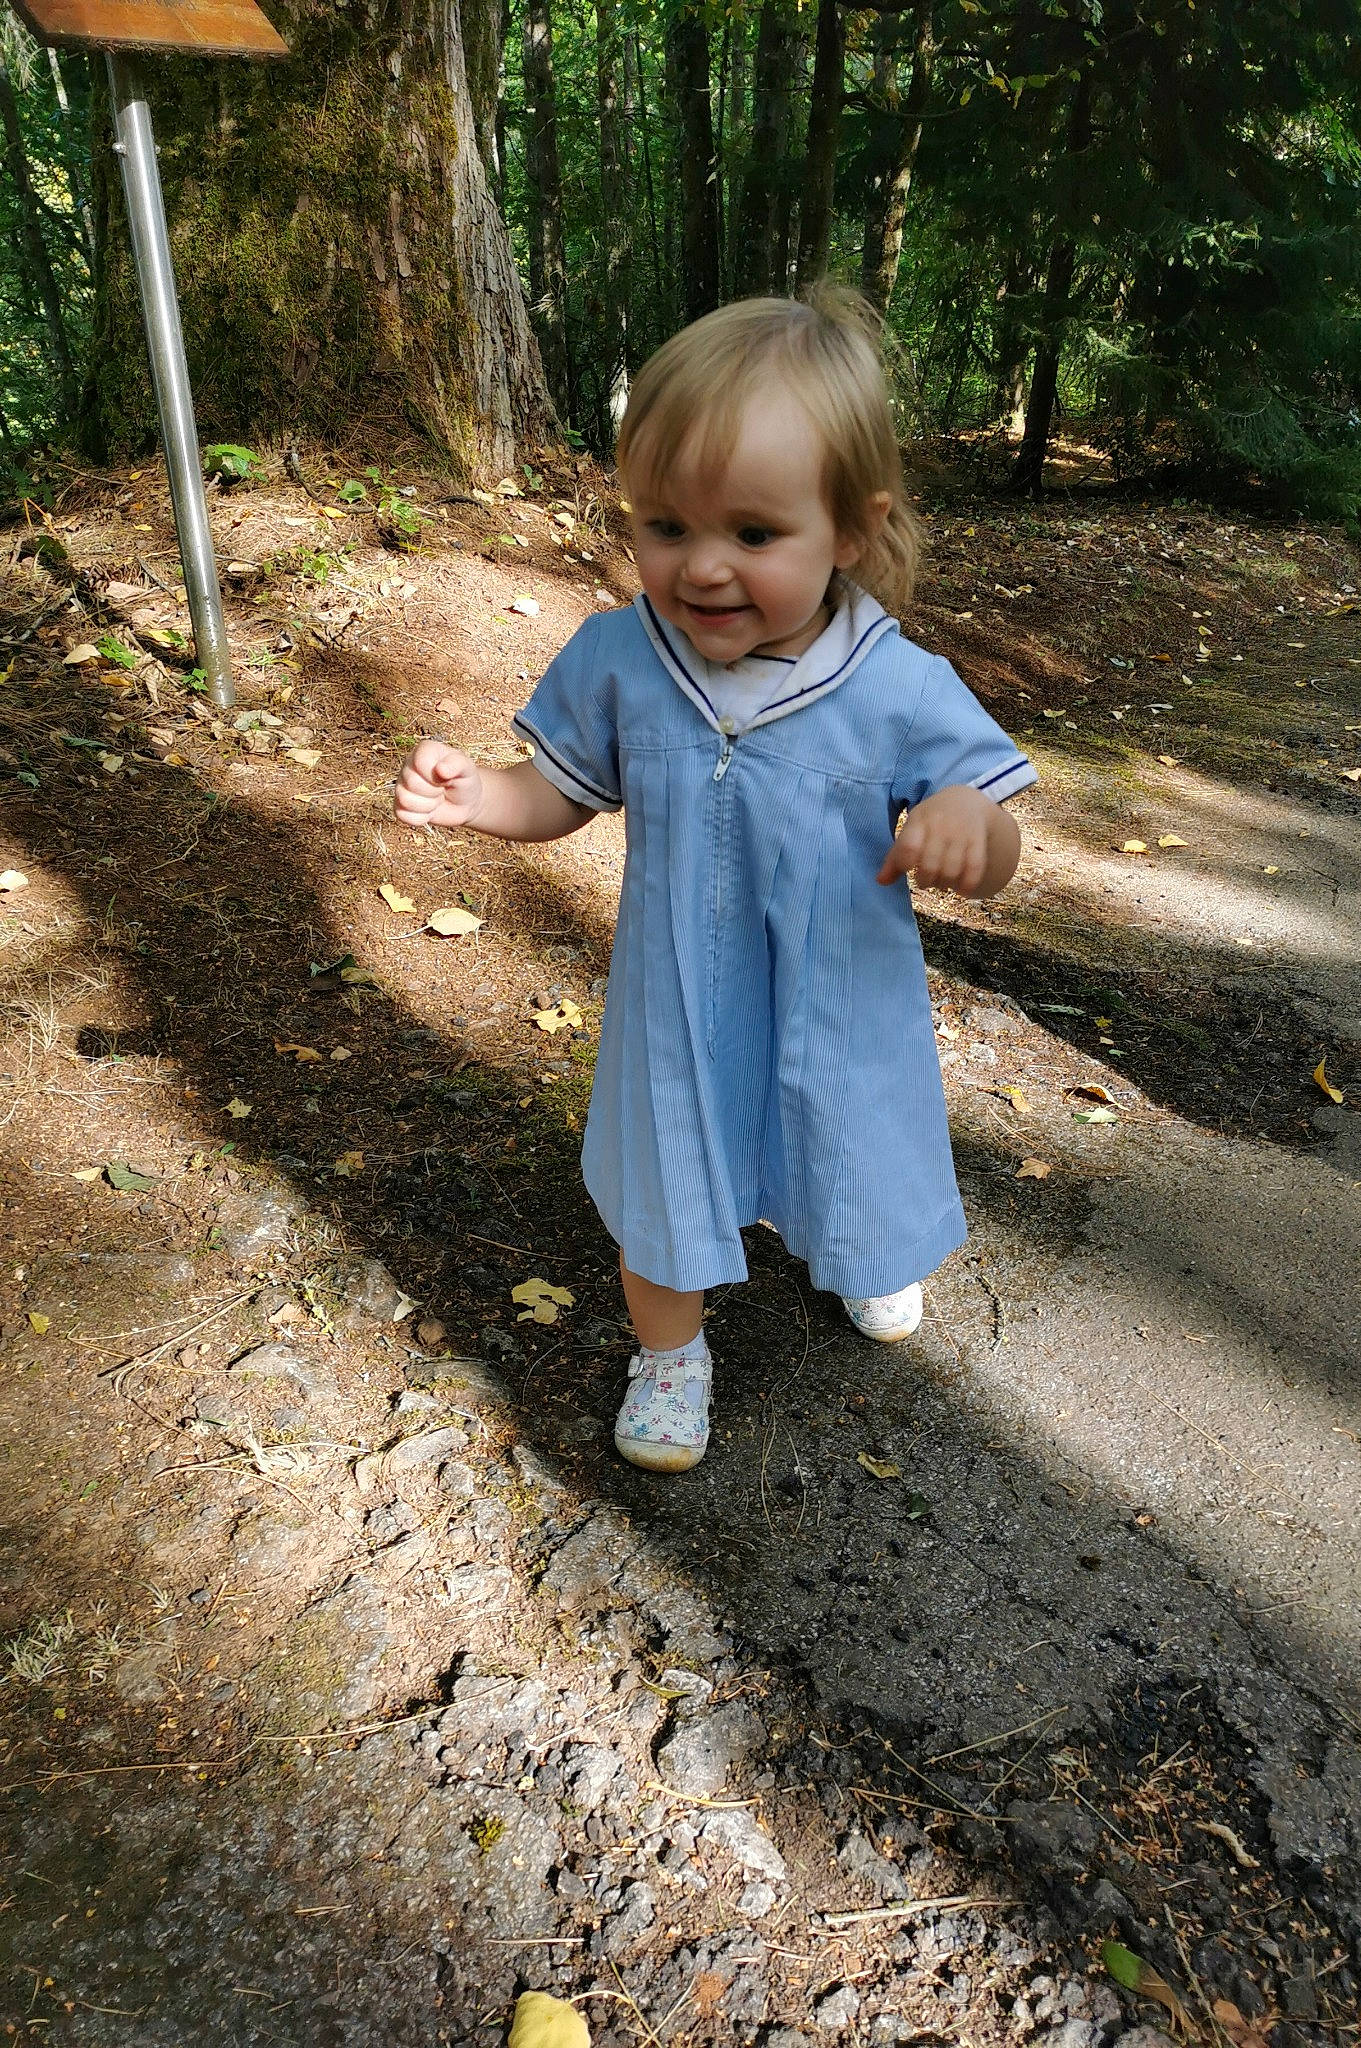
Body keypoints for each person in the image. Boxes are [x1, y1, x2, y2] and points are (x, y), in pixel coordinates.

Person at [393, 290, 1035, 1474]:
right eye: (667, 526)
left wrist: (964, 822)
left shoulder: (897, 683)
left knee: (846, 1137)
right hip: (676, 995)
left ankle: (862, 1252)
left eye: (752, 533)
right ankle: (672, 1354)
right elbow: (566, 792)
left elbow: (995, 845)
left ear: (849, 529)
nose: (703, 567)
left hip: (843, 992)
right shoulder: (623, 658)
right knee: (667, 1162)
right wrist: (483, 793)